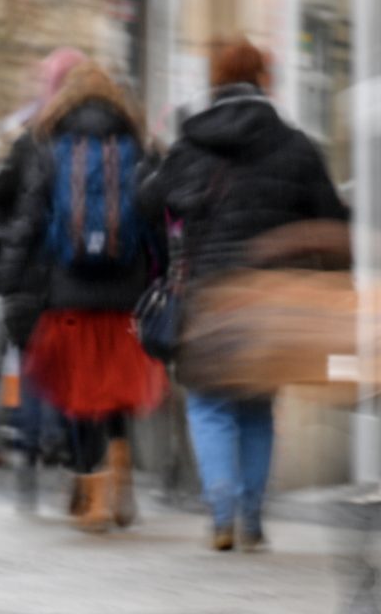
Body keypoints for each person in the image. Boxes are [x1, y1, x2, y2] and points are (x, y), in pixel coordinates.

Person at [139, 37, 348, 551]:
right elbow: (332, 218)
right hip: (269, 296)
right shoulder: (296, 145)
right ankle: (252, 519)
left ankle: (221, 512)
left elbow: (148, 203)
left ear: (215, 80)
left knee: (210, 406)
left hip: (208, 293)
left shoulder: (191, 144)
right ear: (264, 80)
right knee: (256, 406)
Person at [0, 61, 166, 533]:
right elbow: (155, 224)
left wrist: (9, 278)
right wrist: (166, 276)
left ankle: (93, 495)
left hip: (68, 291)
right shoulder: (136, 150)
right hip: (123, 292)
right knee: (115, 388)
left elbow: (29, 222)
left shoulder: (52, 150)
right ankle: (120, 457)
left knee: (81, 394)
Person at [0, 47, 87, 511]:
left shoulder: (33, 140)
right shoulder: (91, 138)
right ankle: (62, 442)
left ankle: (30, 444)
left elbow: (6, 202)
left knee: (31, 361)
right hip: (76, 273)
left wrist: (5, 279)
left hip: (32, 272)